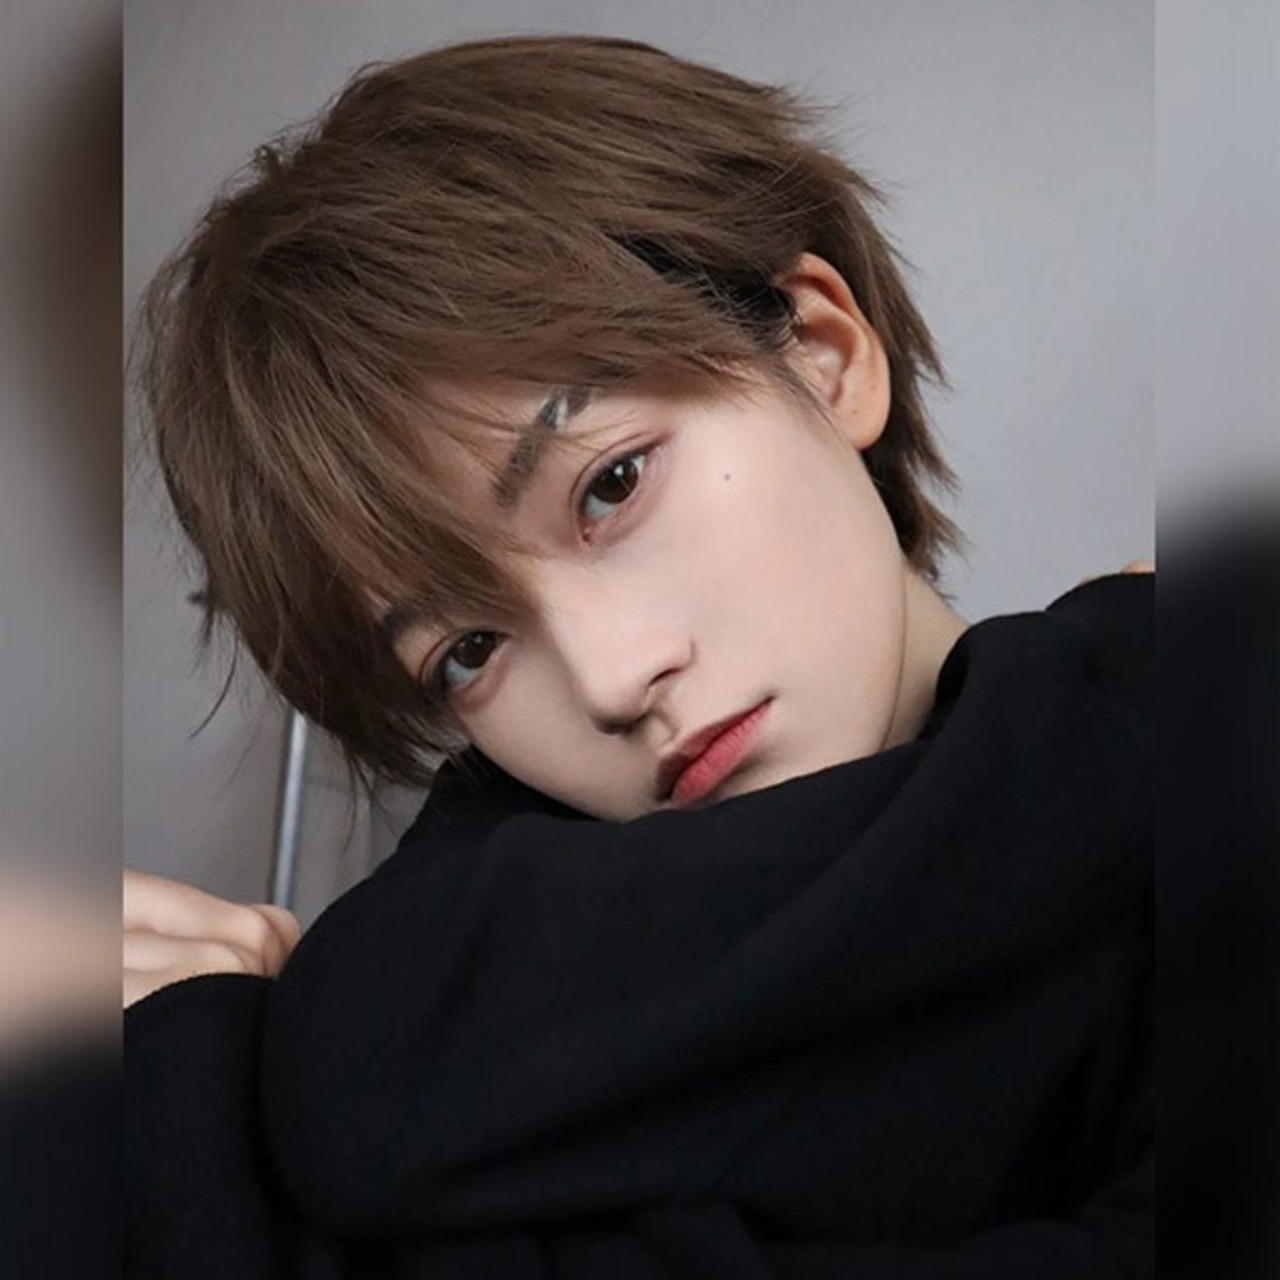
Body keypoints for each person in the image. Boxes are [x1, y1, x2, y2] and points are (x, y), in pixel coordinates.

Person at [124, 35, 1153, 1278]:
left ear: (823, 358)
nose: (612, 679)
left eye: (610, 484)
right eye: (468, 650)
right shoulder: (430, 966)